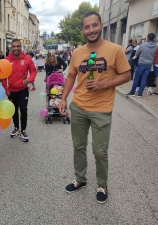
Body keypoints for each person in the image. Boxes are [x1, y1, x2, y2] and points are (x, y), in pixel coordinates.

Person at [58, 12, 131, 204]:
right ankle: (80, 179)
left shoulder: (115, 50)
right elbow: (71, 77)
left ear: (101, 26)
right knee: (78, 146)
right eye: (87, 27)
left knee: (100, 151)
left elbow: (126, 75)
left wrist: (104, 84)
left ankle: (102, 184)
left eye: (94, 25)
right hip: (79, 106)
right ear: (83, 30)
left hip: (102, 109)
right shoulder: (78, 53)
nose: (91, 30)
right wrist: (63, 99)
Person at [2, 39, 37, 142]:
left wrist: (30, 80)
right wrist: (6, 89)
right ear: (11, 47)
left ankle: (23, 130)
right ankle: (17, 128)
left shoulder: (27, 59)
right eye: (14, 46)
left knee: (23, 110)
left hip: (23, 90)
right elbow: (4, 76)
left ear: (21, 47)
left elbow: (33, 71)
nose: (16, 48)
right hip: (11, 91)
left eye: (18, 46)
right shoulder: (6, 60)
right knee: (14, 111)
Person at [126, 33, 157, 97]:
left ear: (148, 38)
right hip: (149, 64)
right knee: (144, 78)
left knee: (136, 78)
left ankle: (132, 92)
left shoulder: (143, 45)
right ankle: (140, 93)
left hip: (141, 63)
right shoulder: (156, 46)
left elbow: (137, 54)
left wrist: (134, 58)